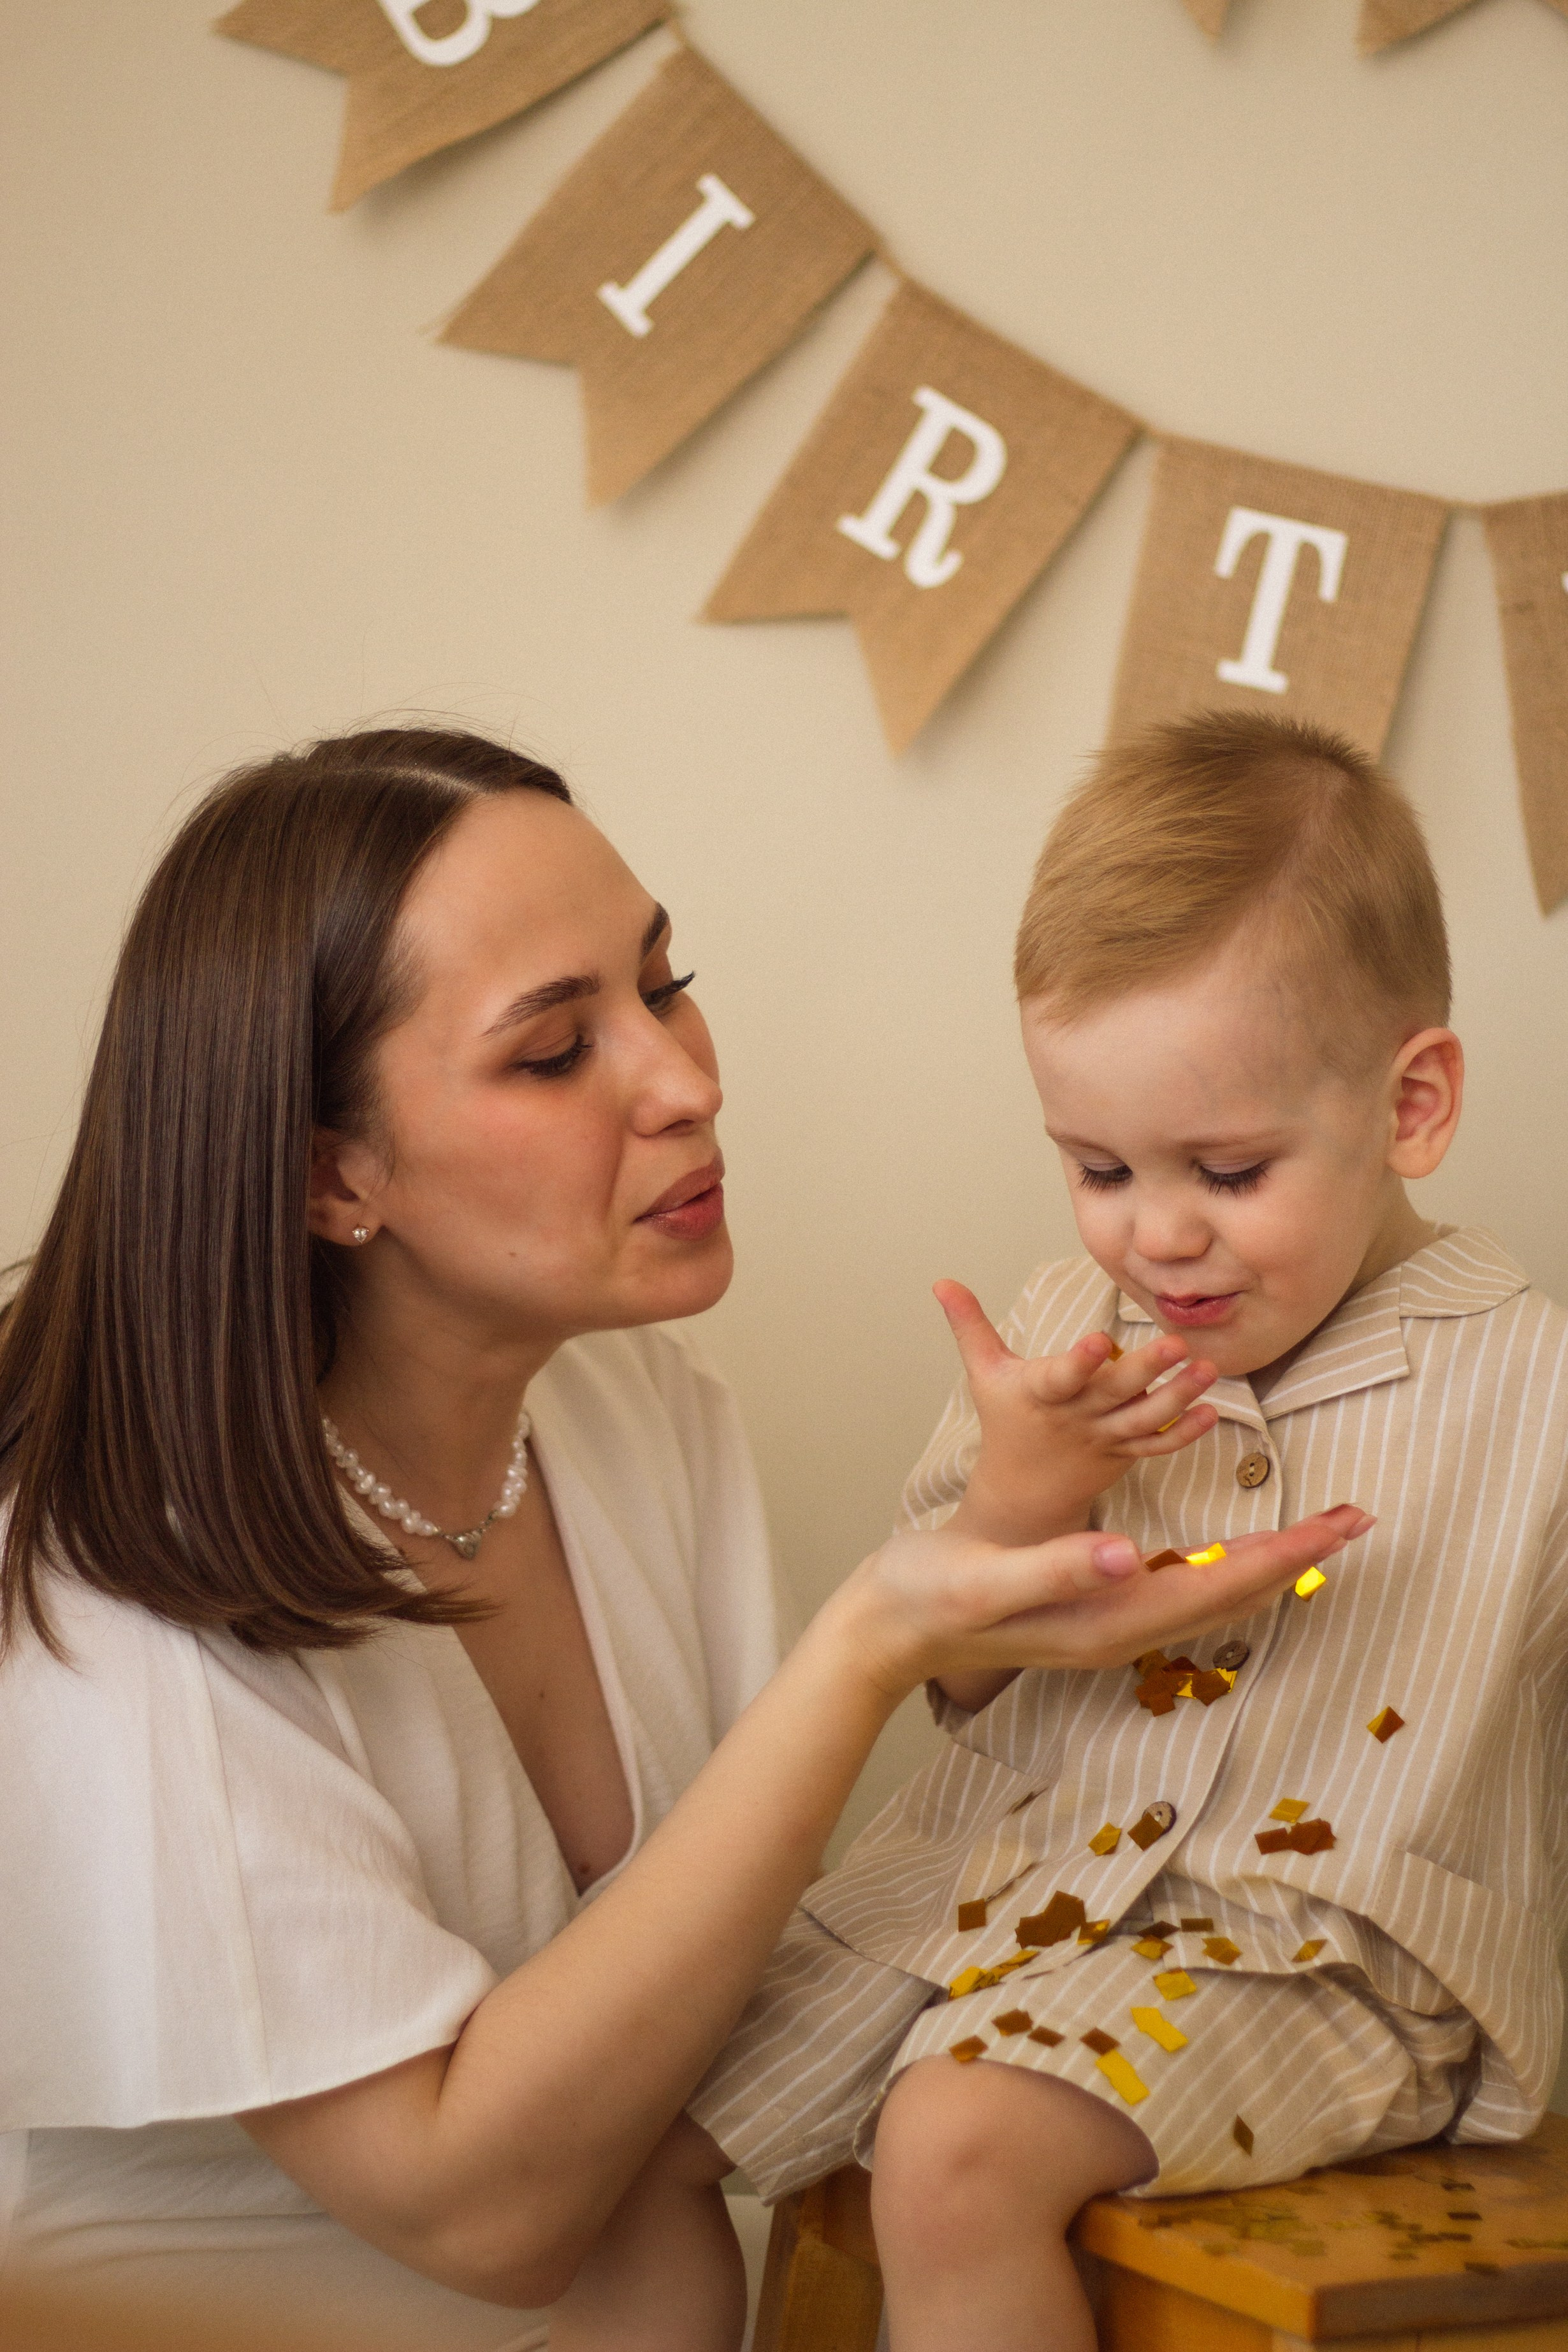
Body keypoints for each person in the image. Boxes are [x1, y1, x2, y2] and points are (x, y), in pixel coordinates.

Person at [0, 726, 1348, 2352]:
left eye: (665, 982)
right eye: (555, 1051)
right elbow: (485, 2221)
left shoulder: (631, 1416)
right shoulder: (109, 1593)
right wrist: (868, 1646)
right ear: (331, 1176)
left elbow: (722, 2014)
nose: (688, 1081)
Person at [691, 709, 1568, 2352]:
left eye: (1227, 1172)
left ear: (1413, 1104)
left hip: (1317, 1963)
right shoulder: (1057, 1340)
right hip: (983, 1903)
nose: (1156, 1236)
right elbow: (950, 1681)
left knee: (955, 2148)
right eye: (1098, 1167)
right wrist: (1025, 1491)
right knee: (634, 2118)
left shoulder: (1535, 1389)